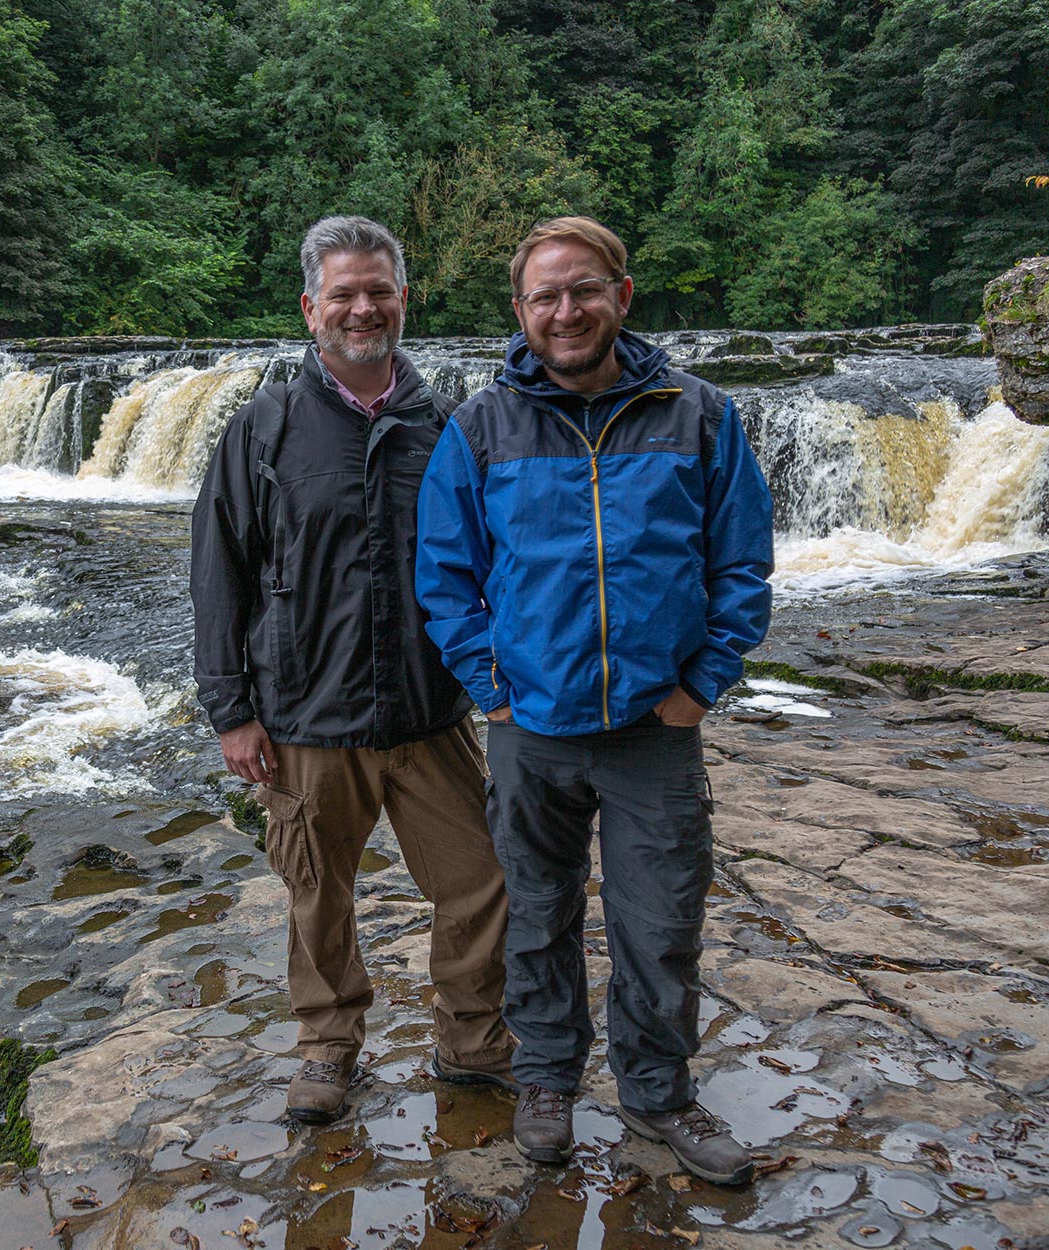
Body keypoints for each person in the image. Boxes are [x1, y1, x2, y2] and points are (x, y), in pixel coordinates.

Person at [414, 216, 774, 1183]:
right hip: (532, 729)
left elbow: (741, 563)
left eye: (582, 289)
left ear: (622, 293)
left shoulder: (698, 415)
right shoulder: (480, 428)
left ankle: (659, 1096)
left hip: (656, 729)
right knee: (536, 914)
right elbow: (447, 580)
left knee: (660, 925)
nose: (564, 311)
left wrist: (703, 686)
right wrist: (493, 689)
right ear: (522, 313)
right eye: (544, 296)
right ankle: (545, 1078)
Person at [191, 215, 513, 1124]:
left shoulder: (449, 427)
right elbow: (219, 573)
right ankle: (328, 1049)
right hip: (302, 715)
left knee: (482, 881)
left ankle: (475, 1043)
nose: (362, 307)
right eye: (344, 294)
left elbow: (492, 568)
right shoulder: (262, 430)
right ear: (310, 308)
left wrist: (501, 684)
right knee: (316, 892)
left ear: (404, 301)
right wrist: (230, 712)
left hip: (427, 712)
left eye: (379, 291)